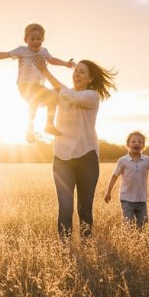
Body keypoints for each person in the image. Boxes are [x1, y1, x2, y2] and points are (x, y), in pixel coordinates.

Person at [35, 57, 116, 241]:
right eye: (75, 70)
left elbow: (68, 96)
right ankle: (66, 251)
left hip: (87, 158)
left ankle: (86, 245)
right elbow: (46, 98)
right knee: (65, 208)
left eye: (82, 72)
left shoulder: (91, 96)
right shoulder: (63, 92)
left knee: (84, 209)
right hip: (62, 159)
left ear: (91, 78)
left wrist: (47, 72)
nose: (76, 74)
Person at [0, 22, 75, 142]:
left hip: (38, 85)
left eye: (38, 39)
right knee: (34, 101)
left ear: (43, 39)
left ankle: (49, 125)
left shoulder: (44, 52)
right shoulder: (21, 50)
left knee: (53, 98)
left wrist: (66, 64)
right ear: (26, 39)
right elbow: (5, 54)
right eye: (32, 39)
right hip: (24, 86)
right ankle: (29, 130)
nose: (35, 41)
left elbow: (53, 60)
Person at [103, 131, 149, 228]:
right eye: (133, 141)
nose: (137, 143)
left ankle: (139, 242)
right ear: (127, 144)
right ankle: (128, 242)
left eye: (140, 142)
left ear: (143, 145)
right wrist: (108, 192)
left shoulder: (147, 160)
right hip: (127, 199)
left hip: (142, 199)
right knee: (128, 224)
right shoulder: (123, 160)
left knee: (143, 225)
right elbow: (115, 176)